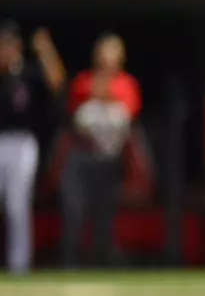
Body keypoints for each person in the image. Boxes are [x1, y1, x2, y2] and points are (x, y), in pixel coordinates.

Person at [61, 33, 142, 268]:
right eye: (104, 53)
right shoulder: (84, 81)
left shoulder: (127, 84)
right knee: (74, 211)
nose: (108, 59)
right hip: (82, 157)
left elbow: (128, 117)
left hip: (110, 159)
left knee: (104, 215)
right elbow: (73, 117)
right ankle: (69, 263)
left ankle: (101, 264)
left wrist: (104, 93)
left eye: (113, 53)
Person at [0, 21, 65, 273]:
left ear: (16, 46)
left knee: (17, 205)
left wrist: (45, 49)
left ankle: (19, 266)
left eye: (6, 44)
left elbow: (57, 82)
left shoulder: (27, 73)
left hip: (22, 142)